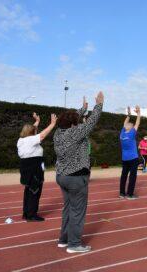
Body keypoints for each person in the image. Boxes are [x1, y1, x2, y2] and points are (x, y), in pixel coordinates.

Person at [54, 92, 103, 253]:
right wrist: (99, 105)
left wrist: (82, 109)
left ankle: (64, 239)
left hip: (61, 175)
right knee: (77, 211)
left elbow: (69, 119)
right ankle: (74, 244)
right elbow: (91, 122)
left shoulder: (58, 133)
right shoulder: (75, 132)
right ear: (73, 123)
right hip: (76, 177)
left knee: (68, 208)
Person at [17, 112, 57, 222]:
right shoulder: (30, 140)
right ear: (31, 133)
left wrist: (37, 122)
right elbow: (43, 135)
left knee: (28, 190)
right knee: (35, 191)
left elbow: (32, 130)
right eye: (34, 131)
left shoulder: (21, 140)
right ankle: (31, 215)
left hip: (28, 166)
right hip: (34, 167)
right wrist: (52, 124)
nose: (36, 131)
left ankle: (26, 213)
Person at [120, 106, 141, 200]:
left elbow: (127, 123)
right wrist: (138, 113)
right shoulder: (130, 133)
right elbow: (137, 123)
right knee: (132, 177)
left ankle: (122, 193)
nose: (127, 124)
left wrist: (129, 115)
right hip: (132, 158)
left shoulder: (122, 133)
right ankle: (129, 194)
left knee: (124, 176)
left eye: (129, 124)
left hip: (125, 159)